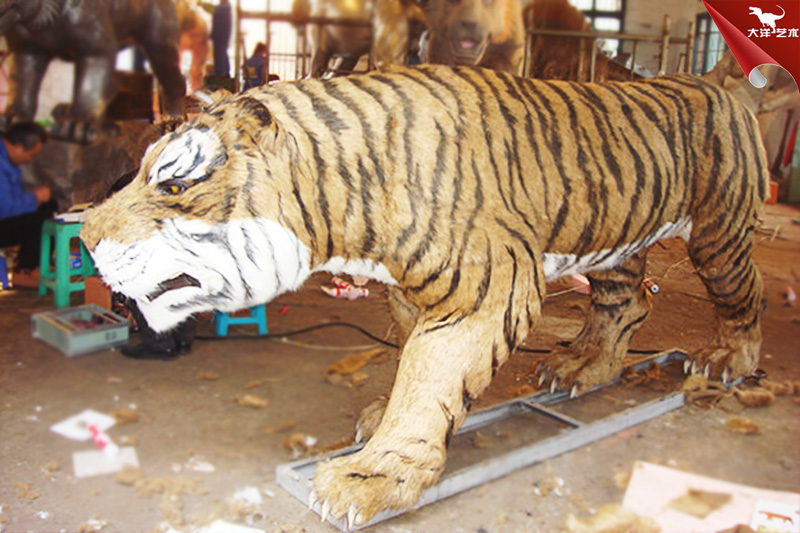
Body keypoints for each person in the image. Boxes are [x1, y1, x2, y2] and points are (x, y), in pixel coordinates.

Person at [0, 122, 55, 288]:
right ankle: (24, 271)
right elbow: (6, 208)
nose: (29, 160)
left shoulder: (6, 160)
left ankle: (35, 266)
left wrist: (35, 198)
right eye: (30, 155)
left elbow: (12, 197)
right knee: (43, 220)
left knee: (49, 206)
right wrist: (34, 197)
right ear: (17, 147)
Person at [210, 0, 232, 78]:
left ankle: (222, 74)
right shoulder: (224, 7)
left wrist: (201, 4)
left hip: (221, 36)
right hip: (220, 36)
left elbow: (213, 9)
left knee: (220, 54)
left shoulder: (225, 7)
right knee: (220, 54)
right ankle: (223, 73)